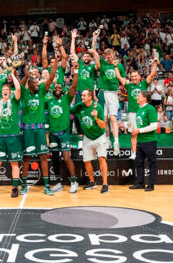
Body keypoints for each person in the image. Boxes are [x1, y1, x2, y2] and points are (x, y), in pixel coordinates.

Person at [20, 55, 59, 196]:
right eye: (35, 83)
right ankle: (24, 185)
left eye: (38, 82)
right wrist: (24, 72)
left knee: (43, 156)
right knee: (26, 157)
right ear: (29, 84)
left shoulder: (42, 92)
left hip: (40, 129)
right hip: (28, 130)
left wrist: (56, 62)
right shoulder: (24, 93)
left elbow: (52, 76)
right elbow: (20, 83)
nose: (38, 84)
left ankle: (47, 185)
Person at [0, 68, 22, 198]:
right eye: (3, 90)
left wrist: (12, 74)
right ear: (1, 92)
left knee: (14, 163)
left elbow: (18, 89)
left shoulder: (14, 101)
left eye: (7, 90)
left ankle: (14, 188)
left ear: (10, 92)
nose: (5, 91)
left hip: (13, 137)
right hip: (0, 137)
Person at [114, 58, 158, 160]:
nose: (133, 78)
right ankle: (134, 153)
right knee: (134, 133)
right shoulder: (129, 86)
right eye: (132, 76)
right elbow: (119, 77)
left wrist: (155, 63)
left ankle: (146, 153)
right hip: (133, 113)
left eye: (135, 76)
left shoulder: (143, 84)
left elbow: (152, 74)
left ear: (139, 77)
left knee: (145, 133)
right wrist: (115, 66)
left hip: (144, 112)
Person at [47, 62, 80, 193]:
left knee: (66, 157)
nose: (58, 88)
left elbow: (74, 85)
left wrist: (76, 71)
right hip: (53, 133)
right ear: (53, 90)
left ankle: (74, 181)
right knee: (54, 158)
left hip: (64, 132)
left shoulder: (66, 99)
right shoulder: (48, 101)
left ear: (63, 90)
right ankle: (59, 182)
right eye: (56, 87)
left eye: (60, 87)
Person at [71, 89, 109, 193]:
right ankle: (92, 182)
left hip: (99, 136)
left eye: (84, 96)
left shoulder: (98, 107)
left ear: (90, 97)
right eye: (82, 95)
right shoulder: (80, 106)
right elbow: (69, 111)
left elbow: (102, 126)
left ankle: (105, 184)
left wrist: (96, 117)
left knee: (101, 159)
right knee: (86, 161)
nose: (82, 97)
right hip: (87, 137)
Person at [97, 48, 126, 155]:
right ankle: (107, 141)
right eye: (107, 55)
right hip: (102, 92)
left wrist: (122, 88)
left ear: (114, 54)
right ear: (104, 56)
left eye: (110, 55)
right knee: (104, 119)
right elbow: (95, 52)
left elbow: (123, 79)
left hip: (113, 93)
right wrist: (95, 39)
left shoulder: (119, 65)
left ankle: (116, 143)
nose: (109, 57)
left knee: (113, 118)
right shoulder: (102, 63)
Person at [129, 91, 158, 191]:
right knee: (139, 162)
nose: (137, 97)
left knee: (151, 163)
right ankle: (140, 183)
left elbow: (154, 125)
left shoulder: (151, 109)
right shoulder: (139, 109)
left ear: (145, 98)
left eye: (139, 96)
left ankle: (151, 185)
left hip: (149, 141)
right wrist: (135, 131)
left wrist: (139, 130)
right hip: (140, 141)